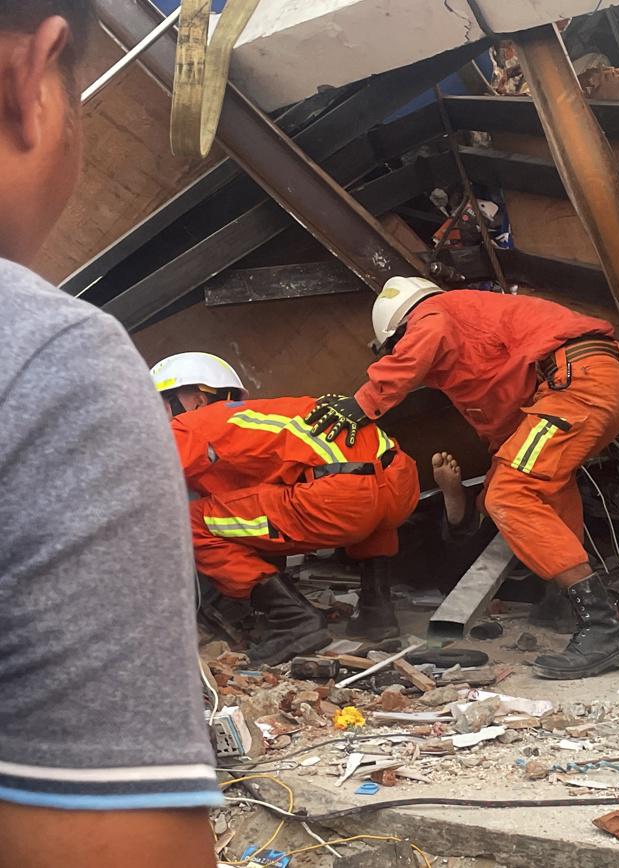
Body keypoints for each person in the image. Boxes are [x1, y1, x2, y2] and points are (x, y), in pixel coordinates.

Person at [0, 3, 222, 865]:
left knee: (222, 536)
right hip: (370, 511)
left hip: (332, 516)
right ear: (33, 77)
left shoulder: (203, 423)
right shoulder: (51, 361)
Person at [308, 278, 619, 679]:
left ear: (401, 331)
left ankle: (603, 627)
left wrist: (363, 402)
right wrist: (491, 485)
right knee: (540, 486)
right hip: (598, 379)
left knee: (512, 494)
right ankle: (563, 603)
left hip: (576, 383)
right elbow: (504, 425)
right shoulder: (472, 338)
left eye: (397, 348)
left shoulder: (435, 313)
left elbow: (427, 336)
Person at [152, 352, 421, 662]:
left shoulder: (190, 425)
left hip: (342, 500)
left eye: (159, 405)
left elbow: (140, 478)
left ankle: (294, 620)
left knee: (189, 523)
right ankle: (377, 612)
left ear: (197, 399)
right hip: (400, 484)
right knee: (362, 492)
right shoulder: (262, 417)